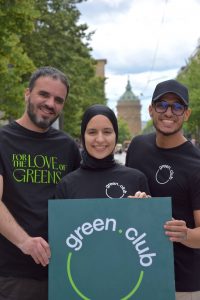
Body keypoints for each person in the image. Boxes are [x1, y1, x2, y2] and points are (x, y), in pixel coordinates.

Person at [0, 66, 81, 300]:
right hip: (13, 276)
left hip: (65, 271)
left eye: (58, 99)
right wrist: (25, 242)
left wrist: (135, 203)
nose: (50, 104)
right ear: (28, 94)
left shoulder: (67, 147)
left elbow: (87, 196)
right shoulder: (3, 140)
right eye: (43, 95)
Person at [126, 79, 200, 300]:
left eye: (177, 106)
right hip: (137, 272)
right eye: (162, 105)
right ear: (150, 110)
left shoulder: (196, 164)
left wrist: (184, 234)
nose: (169, 112)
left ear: (186, 114)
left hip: (181, 283)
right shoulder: (138, 147)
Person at [55, 104, 150, 200]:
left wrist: (145, 208)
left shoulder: (136, 180)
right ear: (83, 136)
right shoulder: (66, 185)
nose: (100, 139)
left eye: (107, 132)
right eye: (92, 132)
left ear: (115, 135)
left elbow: (148, 215)